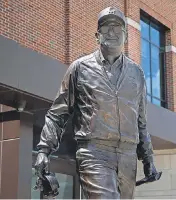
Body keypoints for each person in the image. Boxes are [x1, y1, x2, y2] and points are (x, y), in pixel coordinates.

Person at [34, 6, 159, 199]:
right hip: (94, 153)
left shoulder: (137, 73)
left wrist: (148, 158)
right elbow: (57, 113)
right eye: (106, 27)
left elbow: (141, 121)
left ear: (125, 35)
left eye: (117, 27)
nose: (111, 32)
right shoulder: (80, 68)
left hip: (127, 156)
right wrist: (43, 149)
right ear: (97, 35)